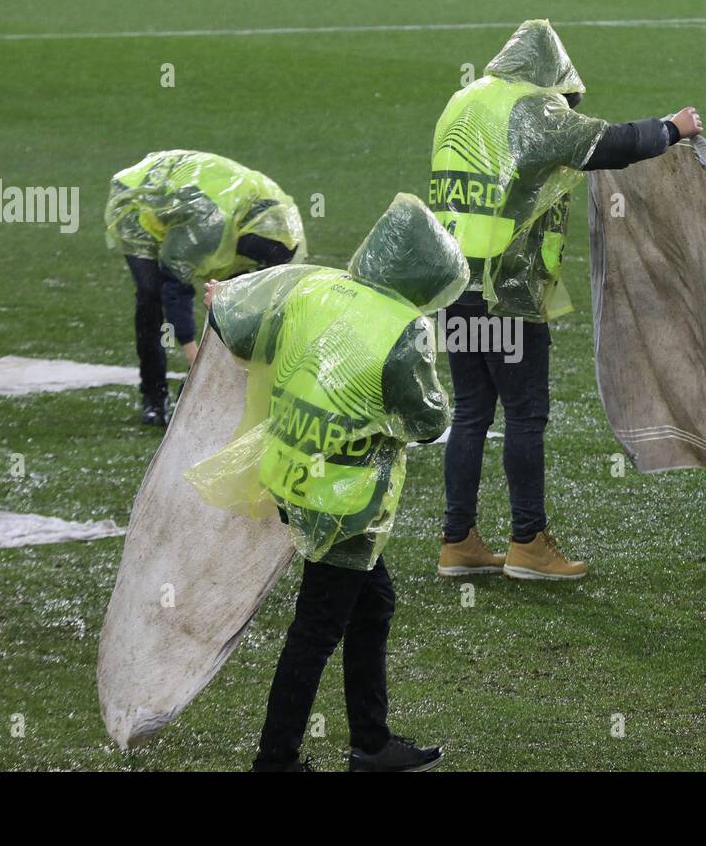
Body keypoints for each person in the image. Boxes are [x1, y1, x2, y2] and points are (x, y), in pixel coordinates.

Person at [191, 194, 468, 772]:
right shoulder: (404, 328)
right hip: (346, 501)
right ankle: (278, 759)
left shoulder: (314, 289)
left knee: (373, 605)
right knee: (317, 628)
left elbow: (241, 329)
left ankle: (371, 741)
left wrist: (221, 299)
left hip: (292, 474)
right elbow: (426, 422)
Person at [428, 19, 703, 581]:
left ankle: (457, 541)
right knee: (526, 416)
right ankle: (528, 543)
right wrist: (672, 129)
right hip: (505, 288)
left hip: (454, 284)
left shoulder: (463, 102)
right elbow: (608, 144)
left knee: (473, 413)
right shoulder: (530, 110)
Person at [105, 150, 306, 426]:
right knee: (151, 295)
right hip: (138, 199)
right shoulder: (207, 230)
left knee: (233, 294)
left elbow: (261, 296)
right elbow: (174, 285)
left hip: (199, 198)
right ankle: (154, 395)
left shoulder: (282, 223)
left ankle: (220, 381)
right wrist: (194, 359)